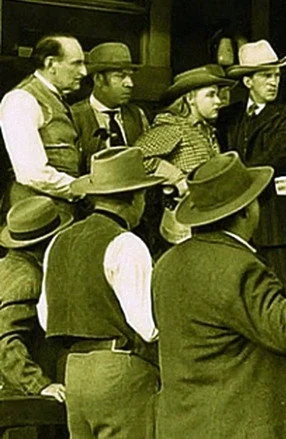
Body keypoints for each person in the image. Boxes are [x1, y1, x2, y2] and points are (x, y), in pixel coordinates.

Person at [152, 151, 286, 438]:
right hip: (236, 425)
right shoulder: (241, 267)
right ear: (245, 211)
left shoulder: (166, 264)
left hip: (184, 424)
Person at [38, 147, 164, 438]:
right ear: (136, 197)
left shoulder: (58, 242)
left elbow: (46, 318)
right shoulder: (126, 243)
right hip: (118, 370)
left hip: (74, 372)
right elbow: (148, 327)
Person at [217, 39, 286, 294]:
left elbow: (272, 159)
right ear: (248, 81)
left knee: (283, 293)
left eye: (277, 75)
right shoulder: (228, 117)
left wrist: (230, 178)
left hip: (276, 225)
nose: (274, 82)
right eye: (266, 76)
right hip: (236, 224)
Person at [135, 64, 234, 247]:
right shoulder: (173, 127)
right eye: (210, 95)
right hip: (183, 223)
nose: (218, 101)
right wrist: (177, 178)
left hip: (207, 217)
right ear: (190, 98)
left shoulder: (206, 130)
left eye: (217, 95)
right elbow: (138, 157)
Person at [0, 34, 87, 212]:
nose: (84, 72)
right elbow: (32, 173)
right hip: (36, 214)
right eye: (76, 63)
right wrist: (83, 189)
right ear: (50, 64)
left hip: (59, 208)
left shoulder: (56, 98)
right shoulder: (22, 100)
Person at [0, 196, 72, 403]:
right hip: (20, 394)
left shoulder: (5, 266)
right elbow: (6, 338)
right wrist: (38, 383)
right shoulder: (29, 279)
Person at [71, 42, 149, 169]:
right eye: (120, 76)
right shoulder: (74, 117)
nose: (129, 83)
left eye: (130, 76)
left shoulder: (137, 115)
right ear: (98, 79)